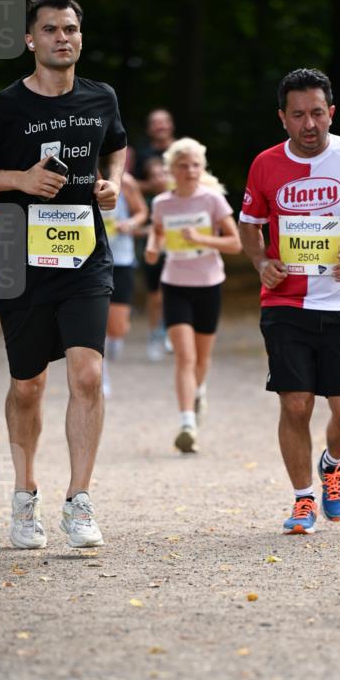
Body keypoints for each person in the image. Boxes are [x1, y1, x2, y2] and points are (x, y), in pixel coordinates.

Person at [0, 0, 127, 549]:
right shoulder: (5, 107)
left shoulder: (102, 98)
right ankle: (25, 497)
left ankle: (80, 501)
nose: (61, 38)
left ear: (79, 37)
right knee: (28, 386)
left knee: (88, 375)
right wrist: (20, 181)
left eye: (70, 29)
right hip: (19, 263)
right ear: (31, 40)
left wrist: (111, 181)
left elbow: (116, 147)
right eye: (49, 30)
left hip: (84, 260)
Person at [239, 68, 340, 532]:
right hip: (285, 304)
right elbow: (249, 223)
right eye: (299, 115)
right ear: (283, 118)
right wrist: (260, 263)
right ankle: (303, 499)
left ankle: (332, 465)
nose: (310, 125)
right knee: (296, 405)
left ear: (332, 112)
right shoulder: (265, 163)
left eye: (318, 113)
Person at [145, 137, 241, 453]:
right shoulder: (162, 203)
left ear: (202, 167)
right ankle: (187, 422)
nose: (190, 171)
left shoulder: (212, 200)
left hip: (209, 285)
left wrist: (201, 238)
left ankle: (198, 393)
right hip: (175, 284)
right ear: (172, 169)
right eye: (183, 165)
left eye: (196, 165)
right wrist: (152, 248)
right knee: (185, 356)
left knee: (201, 359)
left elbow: (235, 243)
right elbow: (157, 233)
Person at [134, 111, 177, 359]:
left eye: (164, 122)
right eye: (155, 123)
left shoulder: (182, 150)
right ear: (150, 129)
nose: (160, 126)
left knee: (175, 285)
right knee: (155, 290)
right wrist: (155, 186)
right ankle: (155, 335)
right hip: (152, 225)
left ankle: (172, 333)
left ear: (171, 126)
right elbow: (127, 183)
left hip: (180, 226)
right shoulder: (140, 154)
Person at [101, 171, 148, 396]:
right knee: (95, 323)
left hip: (120, 258)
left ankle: (113, 343)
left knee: (117, 326)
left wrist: (130, 222)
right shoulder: (77, 174)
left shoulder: (126, 181)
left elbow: (142, 212)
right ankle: (101, 375)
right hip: (88, 259)